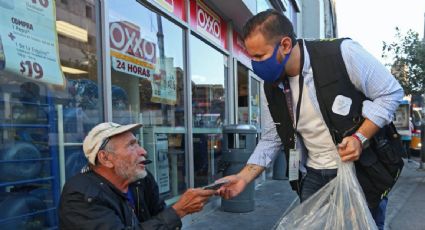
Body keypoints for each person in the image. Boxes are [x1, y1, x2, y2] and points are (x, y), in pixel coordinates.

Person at [217, 9, 403, 230]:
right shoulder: (272, 85)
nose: (255, 65)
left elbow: (390, 93)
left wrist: (360, 137)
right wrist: (243, 178)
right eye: (251, 57)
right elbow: (271, 137)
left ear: (285, 45)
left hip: (361, 173)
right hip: (312, 176)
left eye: (259, 56)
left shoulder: (342, 53)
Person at [59, 122, 214, 229]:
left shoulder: (141, 179)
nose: (143, 151)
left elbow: (160, 215)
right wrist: (178, 211)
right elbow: (166, 218)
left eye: (138, 143)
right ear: (105, 158)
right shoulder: (80, 195)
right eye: (131, 145)